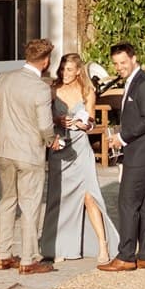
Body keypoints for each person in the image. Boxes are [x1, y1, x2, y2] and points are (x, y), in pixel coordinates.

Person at [0, 38, 61, 275]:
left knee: (7, 201)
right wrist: (51, 140)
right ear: (46, 61)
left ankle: (3, 255)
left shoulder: (4, 78)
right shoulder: (40, 88)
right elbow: (45, 126)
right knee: (29, 204)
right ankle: (28, 259)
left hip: (4, 147)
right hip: (28, 150)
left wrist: (12, 123)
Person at [44, 53, 120, 263]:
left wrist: (81, 124)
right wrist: (57, 120)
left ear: (78, 71)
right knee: (59, 198)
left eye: (69, 69)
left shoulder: (88, 91)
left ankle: (103, 245)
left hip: (80, 149)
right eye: (62, 69)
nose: (64, 73)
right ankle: (58, 247)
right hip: (60, 148)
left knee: (90, 196)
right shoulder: (53, 89)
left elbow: (91, 122)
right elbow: (44, 117)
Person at [102, 42, 145, 271]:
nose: (119, 67)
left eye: (123, 62)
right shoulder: (132, 81)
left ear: (134, 58)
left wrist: (122, 137)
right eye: (116, 64)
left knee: (127, 202)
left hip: (143, 152)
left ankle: (126, 257)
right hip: (142, 150)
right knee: (144, 203)